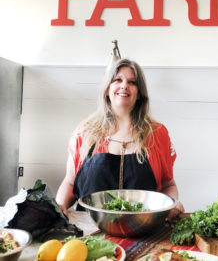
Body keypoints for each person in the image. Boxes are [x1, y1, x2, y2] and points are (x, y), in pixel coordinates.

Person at [56, 58, 184, 219]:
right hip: (89, 231)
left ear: (139, 93)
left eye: (132, 82)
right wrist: (59, 206)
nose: (124, 85)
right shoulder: (85, 131)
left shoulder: (157, 133)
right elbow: (69, 182)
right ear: (107, 88)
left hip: (143, 231)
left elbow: (168, 185)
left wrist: (172, 203)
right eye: (117, 80)